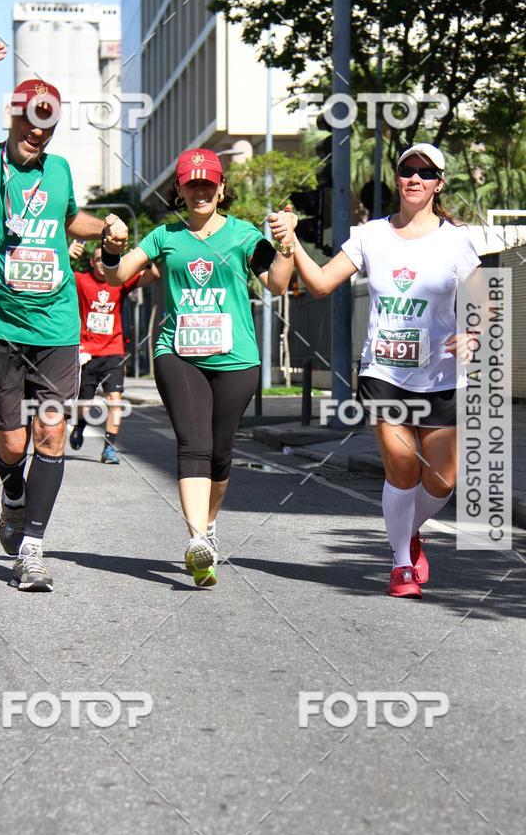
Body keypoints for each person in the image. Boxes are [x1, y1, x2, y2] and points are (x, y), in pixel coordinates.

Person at [0, 41, 128, 592]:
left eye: (50, 122)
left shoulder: (59, 170)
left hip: (57, 324)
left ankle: (32, 548)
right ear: (12, 116)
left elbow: (69, 220)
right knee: (13, 445)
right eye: (32, 119)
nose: (40, 131)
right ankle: (12, 492)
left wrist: (103, 226)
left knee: (52, 431)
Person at [270, 142, 483, 599]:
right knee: (402, 467)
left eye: (426, 173)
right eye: (408, 170)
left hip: (443, 375)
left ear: (438, 184)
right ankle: (401, 565)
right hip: (384, 372)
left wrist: (474, 334)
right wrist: (292, 244)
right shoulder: (370, 235)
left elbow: (486, 301)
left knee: (443, 480)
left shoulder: (456, 239)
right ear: (398, 178)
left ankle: (405, 531)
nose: (415, 178)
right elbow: (322, 284)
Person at [103, 148, 295, 586]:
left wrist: (286, 243)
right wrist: (111, 250)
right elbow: (116, 277)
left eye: (209, 183)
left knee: (221, 454)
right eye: (193, 184)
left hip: (236, 359)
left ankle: (208, 527)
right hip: (178, 353)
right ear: (180, 191)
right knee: (193, 443)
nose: (201, 190)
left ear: (222, 188)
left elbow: (279, 284)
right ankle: (196, 540)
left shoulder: (246, 236)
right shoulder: (163, 236)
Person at [68, 241, 159, 463]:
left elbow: (153, 275)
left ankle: (109, 447)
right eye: (98, 260)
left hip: (113, 351)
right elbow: (59, 273)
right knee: (84, 404)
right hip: (87, 352)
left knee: (114, 400)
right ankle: (79, 426)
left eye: (105, 260)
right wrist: (68, 254)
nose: (101, 264)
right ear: (91, 262)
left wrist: (143, 253)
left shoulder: (120, 281)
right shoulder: (81, 280)